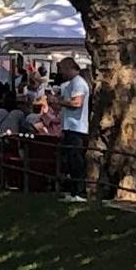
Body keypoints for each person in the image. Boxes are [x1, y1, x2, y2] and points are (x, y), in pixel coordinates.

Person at [55, 57, 90, 201]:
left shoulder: (79, 83)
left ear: (70, 67)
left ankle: (80, 192)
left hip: (77, 128)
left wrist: (60, 102)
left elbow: (77, 103)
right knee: (70, 160)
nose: (61, 72)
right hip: (69, 126)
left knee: (77, 161)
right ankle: (74, 191)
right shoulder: (71, 84)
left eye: (62, 69)